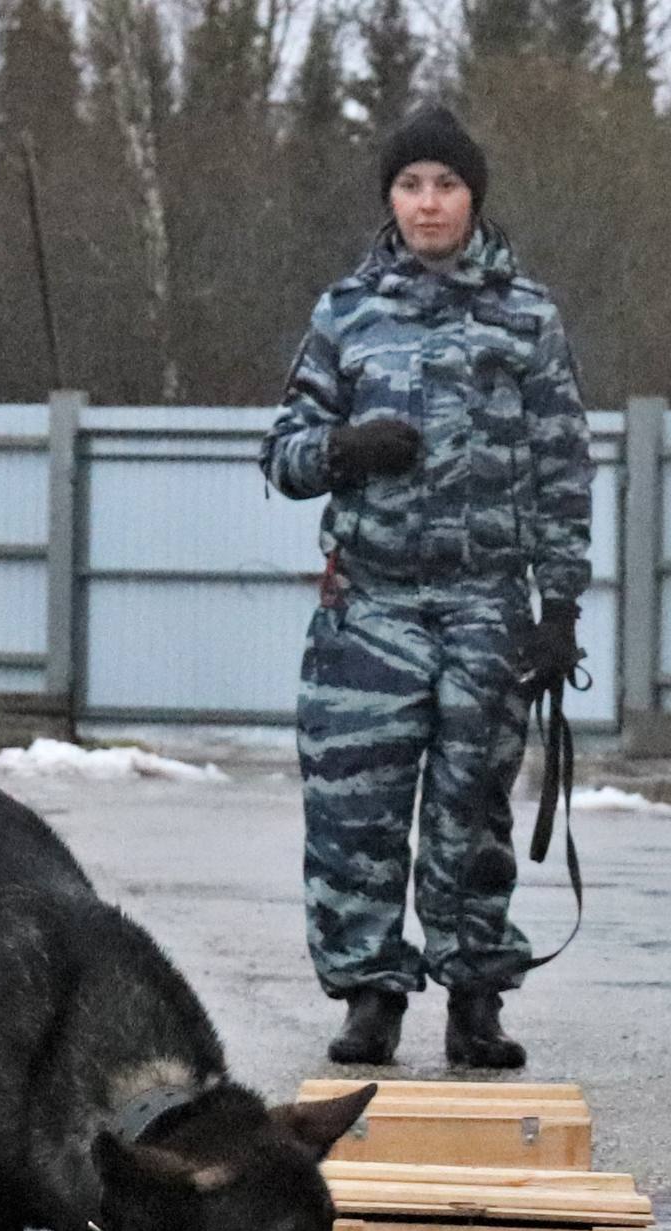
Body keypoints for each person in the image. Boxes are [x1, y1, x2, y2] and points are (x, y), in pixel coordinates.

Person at [262, 106, 591, 1071]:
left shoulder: (527, 317)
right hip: (368, 607)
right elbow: (280, 456)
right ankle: (370, 997)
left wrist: (559, 606)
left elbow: (562, 467)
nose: (429, 202)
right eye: (411, 186)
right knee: (353, 815)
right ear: (390, 199)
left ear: (473, 196)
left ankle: (475, 999)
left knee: (472, 812)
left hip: (486, 604)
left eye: (446, 185)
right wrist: (343, 448)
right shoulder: (346, 313)